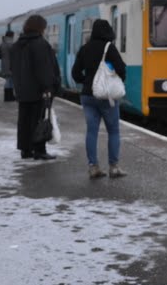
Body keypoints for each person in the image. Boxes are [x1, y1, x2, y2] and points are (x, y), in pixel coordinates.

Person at [71, 18, 128, 179]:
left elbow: (75, 73)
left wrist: (87, 82)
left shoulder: (84, 48)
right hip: (106, 96)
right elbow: (121, 68)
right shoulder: (109, 48)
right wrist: (117, 81)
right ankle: (114, 167)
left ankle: (93, 167)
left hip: (88, 96)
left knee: (92, 131)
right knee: (113, 131)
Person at [10, 15, 60, 161]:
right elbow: (44, 69)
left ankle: (25, 150)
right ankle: (39, 150)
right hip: (39, 90)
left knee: (24, 120)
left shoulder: (17, 45)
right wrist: (49, 86)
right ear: (40, 28)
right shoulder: (40, 44)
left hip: (22, 90)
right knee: (40, 120)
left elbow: (13, 68)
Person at [0, 30, 16, 101]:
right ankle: (8, 97)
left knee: (9, 81)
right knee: (9, 81)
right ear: (11, 36)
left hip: (4, 65)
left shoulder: (3, 43)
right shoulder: (10, 44)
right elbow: (15, 55)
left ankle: (9, 96)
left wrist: (3, 59)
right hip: (10, 65)